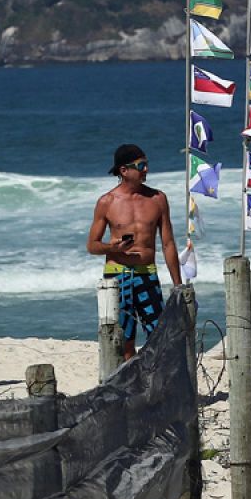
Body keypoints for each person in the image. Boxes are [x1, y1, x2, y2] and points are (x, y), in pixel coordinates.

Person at [86, 144, 182, 360]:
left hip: (147, 273)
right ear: (124, 170)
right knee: (123, 340)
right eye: (141, 165)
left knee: (159, 335)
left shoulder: (158, 199)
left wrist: (178, 285)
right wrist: (112, 248)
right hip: (117, 276)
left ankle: (153, 386)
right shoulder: (107, 202)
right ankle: (127, 388)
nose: (146, 169)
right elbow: (92, 245)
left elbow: (168, 243)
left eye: (146, 164)